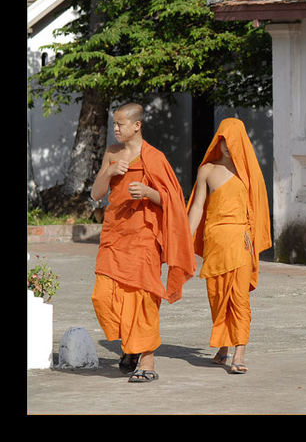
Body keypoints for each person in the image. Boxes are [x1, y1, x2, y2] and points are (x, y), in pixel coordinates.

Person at [89, 103, 195, 383]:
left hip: (144, 238)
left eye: (120, 124)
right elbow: (96, 194)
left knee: (144, 298)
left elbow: (174, 200)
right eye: (114, 124)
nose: (116, 129)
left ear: (137, 125)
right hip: (114, 234)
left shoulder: (154, 158)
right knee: (102, 296)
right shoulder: (111, 153)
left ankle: (146, 360)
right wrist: (109, 173)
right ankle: (131, 346)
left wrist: (149, 192)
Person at [187, 118, 271, 374]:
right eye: (221, 139)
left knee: (239, 298)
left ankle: (239, 352)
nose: (225, 145)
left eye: (230, 140)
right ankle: (223, 348)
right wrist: (184, 241)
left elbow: (257, 209)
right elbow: (198, 207)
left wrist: (252, 235)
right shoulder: (207, 170)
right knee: (216, 295)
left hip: (240, 241)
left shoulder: (248, 174)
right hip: (214, 241)